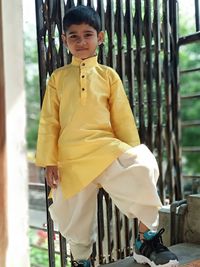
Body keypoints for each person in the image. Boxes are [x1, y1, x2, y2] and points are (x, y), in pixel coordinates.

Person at [36, 5, 179, 267]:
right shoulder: (57, 78)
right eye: (74, 36)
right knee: (74, 211)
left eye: (87, 34)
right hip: (70, 156)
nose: (81, 41)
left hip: (105, 148)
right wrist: (49, 160)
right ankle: (81, 261)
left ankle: (145, 241)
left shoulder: (108, 76)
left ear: (100, 37)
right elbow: (49, 121)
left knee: (142, 164)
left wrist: (130, 151)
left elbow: (122, 117)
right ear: (65, 40)